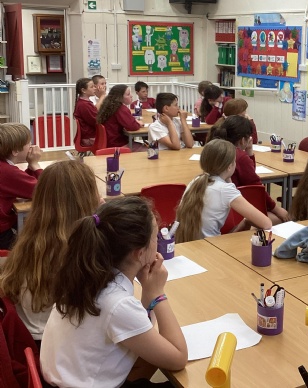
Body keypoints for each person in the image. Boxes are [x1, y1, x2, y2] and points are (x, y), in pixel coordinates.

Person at [40, 196, 188, 387]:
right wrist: (158, 294)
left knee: (148, 361)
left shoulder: (87, 276)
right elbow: (178, 358)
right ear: (139, 253)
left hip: (62, 379)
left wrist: (148, 291)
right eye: (155, 238)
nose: (157, 242)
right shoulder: (117, 304)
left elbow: (139, 328)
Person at [0, 161, 101, 343]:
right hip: (53, 341)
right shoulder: (77, 250)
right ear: (86, 199)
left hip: (31, 336)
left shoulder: (33, 239)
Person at [175, 139, 272, 243]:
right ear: (229, 167)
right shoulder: (225, 190)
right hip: (210, 246)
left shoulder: (196, 181)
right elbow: (266, 223)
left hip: (188, 245)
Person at [209, 115, 289, 225]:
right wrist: (277, 209)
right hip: (234, 210)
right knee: (281, 220)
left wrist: (249, 152)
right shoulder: (239, 157)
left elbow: (249, 173)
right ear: (243, 140)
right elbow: (256, 187)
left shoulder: (220, 149)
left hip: (222, 205)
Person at [0, 123, 43, 249]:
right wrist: (35, 165)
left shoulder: (4, 166)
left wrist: (30, 166)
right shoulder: (7, 172)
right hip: (2, 233)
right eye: (29, 144)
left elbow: (22, 184)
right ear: (15, 151)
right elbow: (45, 189)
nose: (32, 147)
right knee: (36, 244)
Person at [97, 84, 144, 150]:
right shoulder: (121, 109)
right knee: (148, 150)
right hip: (117, 144)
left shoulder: (108, 105)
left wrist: (134, 121)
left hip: (107, 143)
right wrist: (138, 124)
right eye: (128, 94)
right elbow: (133, 127)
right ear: (120, 97)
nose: (131, 96)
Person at [73, 77, 97, 146]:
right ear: (83, 90)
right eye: (92, 87)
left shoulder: (83, 102)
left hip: (89, 136)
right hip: (90, 137)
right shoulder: (84, 105)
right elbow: (95, 121)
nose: (95, 88)